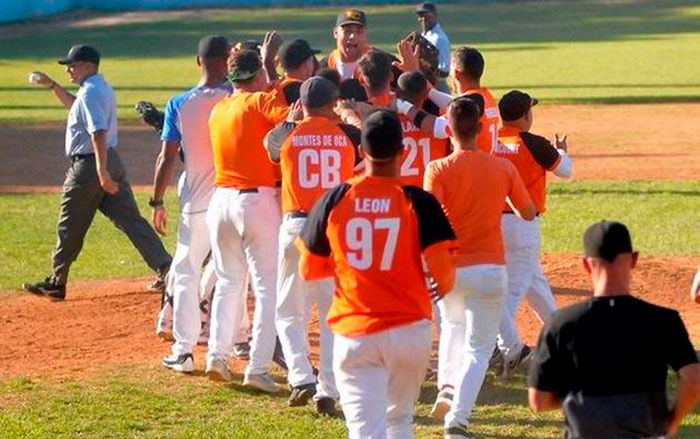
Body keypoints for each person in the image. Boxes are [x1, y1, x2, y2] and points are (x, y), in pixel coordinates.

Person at [298, 109, 457, 439]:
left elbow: (309, 269)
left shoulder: (335, 199)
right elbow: (445, 278)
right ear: (402, 151)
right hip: (408, 330)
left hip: (355, 330)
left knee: (364, 430)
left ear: (360, 152)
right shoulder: (419, 201)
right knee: (399, 421)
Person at [423, 97, 536, 436]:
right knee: (479, 347)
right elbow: (528, 212)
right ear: (481, 128)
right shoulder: (501, 167)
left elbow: (428, 219)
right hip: (490, 269)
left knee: (453, 328)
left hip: (452, 267)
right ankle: (457, 419)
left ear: (449, 128)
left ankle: (446, 386)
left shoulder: (438, 169)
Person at [23, 45, 171, 301]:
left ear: (89, 65)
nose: (69, 68)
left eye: (73, 64)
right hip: (109, 162)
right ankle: (167, 268)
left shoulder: (91, 93)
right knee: (131, 221)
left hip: (90, 167)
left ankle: (57, 282)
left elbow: (98, 132)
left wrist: (101, 173)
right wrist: (52, 86)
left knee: (69, 224)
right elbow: (76, 106)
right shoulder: (98, 88)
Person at [528, 220, 700, 439]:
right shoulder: (663, 320)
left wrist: (578, 398)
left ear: (585, 265)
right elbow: (693, 380)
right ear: (634, 260)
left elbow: (538, 401)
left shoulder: (561, 323)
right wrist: (672, 421)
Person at [264, 76, 360, 416]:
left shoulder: (287, 135)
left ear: (301, 103)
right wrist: (347, 114)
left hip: (296, 226)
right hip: (333, 229)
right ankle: (328, 390)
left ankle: (301, 376)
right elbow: (365, 136)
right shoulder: (348, 136)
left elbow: (270, 147)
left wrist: (291, 119)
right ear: (332, 102)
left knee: (289, 310)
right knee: (333, 313)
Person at [206, 49, 299, 392]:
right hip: (255, 202)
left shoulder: (219, 109)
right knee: (268, 290)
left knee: (229, 283)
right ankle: (257, 369)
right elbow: (288, 118)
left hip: (221, 202)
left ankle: (217, 355)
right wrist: (275, 80)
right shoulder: (259, 101)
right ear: (257, 75)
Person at [146, 36, 232, 373]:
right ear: (228, 58)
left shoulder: (179, 103)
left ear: (199, 61)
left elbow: (166, 158)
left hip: (194, 200)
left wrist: (157, 200)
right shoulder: (236, 98)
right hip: (230, 197)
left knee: (185, 271)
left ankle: (183, 351)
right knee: (230, 274)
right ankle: (224, 348)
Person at [491, 90, 573, 376]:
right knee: (513, 291)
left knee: (535, 283)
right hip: (522, 225)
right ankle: (502, 348)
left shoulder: (490, 140)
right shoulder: (534, 143)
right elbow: (566, 171)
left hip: (492, 225)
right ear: (526, 116)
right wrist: (561, 150)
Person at [426, 47, 499, 154]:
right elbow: (454, 103)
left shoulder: (471, 101)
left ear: (456, 73)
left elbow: (439, 128)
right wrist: (428, 90)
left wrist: (405, 107)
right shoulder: (486, 97)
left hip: (472, 167)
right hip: (488, 165)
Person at [395, 70, 450, 187]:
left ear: (397, 94)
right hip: (432, 193)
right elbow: (459, 104)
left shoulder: (389, 123)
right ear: (425, 95)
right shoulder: (438, 121)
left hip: (401, 194)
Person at [320, 9, 371, 80]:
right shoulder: (324, 67)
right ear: (335, 33)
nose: (352, 36)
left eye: (359, 31)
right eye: (347, 31)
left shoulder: (381, 64)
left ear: (366, 34)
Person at [416, 2, 451, 92]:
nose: (423, 18)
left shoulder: (439, 39)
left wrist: (425, 68)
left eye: (426, 14)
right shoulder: (424, 35)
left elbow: (445, 72)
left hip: (439, 87)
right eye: (420, 15)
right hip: (426, 87)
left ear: (435, 15)